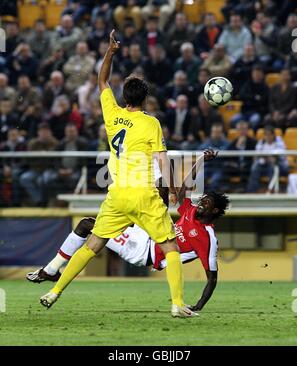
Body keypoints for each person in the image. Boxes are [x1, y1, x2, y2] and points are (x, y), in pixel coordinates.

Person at [39, 30, 196, 318]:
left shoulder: (112, 114)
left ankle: (54, 291)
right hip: (144, 195)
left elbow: (101, 81)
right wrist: (173, 189)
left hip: (117, 195)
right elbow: (162, 161)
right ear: (146, 98)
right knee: (170, 246)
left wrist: (110, 53)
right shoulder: (152, 124)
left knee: (93, 245)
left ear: (124, 97)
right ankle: (177, 304)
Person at [28, 150, 229, 312]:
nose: (201, 202)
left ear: (215, 211)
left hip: (142, 250)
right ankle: (52, 271)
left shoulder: (207, 237)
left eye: (207, 202)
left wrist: (200, 305)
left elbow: (212, 277)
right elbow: (184, 188)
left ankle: (52, 271)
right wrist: (201, 159)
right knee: (87, 223)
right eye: (203, 199)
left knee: (87, 225)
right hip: (146, 233)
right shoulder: (191, 212)